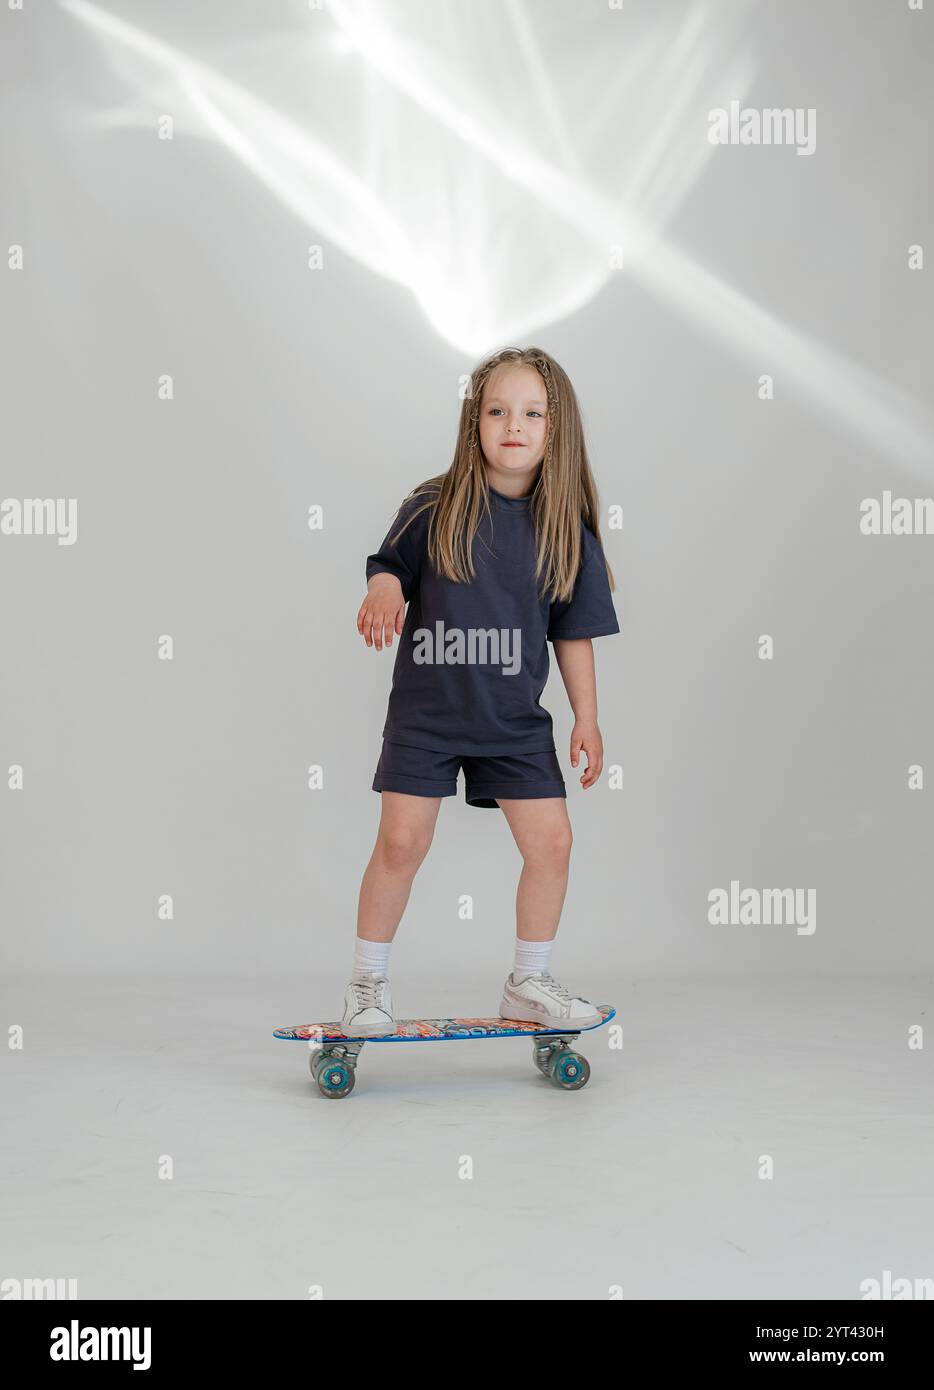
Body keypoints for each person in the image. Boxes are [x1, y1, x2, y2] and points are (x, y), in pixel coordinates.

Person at [347, 346, 620, 1035]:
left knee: (552, 845)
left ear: (556, 430)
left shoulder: (567, 532)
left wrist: (586, 717)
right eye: (497, 411)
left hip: (514, 723)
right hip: (427, 717)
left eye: (531, 413)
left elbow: (574, 633)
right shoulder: (434, 505)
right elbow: (388, 566)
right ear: (475, 423)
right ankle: (367, 984)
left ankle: (528, 981)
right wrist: (383, 589)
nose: (513, 425)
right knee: (401, 846)